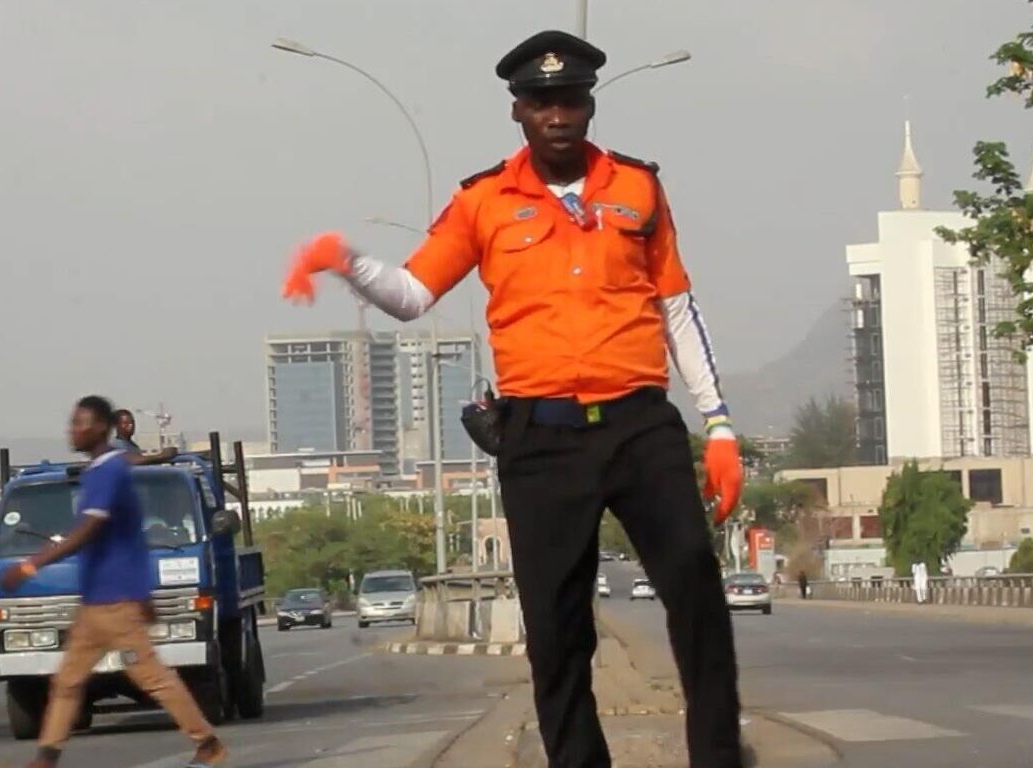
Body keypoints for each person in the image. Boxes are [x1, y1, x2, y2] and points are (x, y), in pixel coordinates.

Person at [280, 30, 746, 768]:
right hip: (541, 440)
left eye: (570, 99)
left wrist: (718, 427)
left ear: (589, 105)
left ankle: (718, 757)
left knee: (694, 581)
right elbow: (411, 294)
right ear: (517, 112)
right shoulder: (483, 202)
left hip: (639, 424)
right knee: (557, 631)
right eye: (540, 102)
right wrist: (344, 261)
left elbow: (678, 308)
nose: (557, 114)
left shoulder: (637, 187)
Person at [0, 396, 227, 768]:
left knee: (152, 678)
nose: (73, 430)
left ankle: (208, 743)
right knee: (68, 682)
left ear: (102, 429)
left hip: (117, 604)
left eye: (82, 423)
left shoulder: (108, 472)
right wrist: (146, 592)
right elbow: (130, 537)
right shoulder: (101, 472)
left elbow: (87, 530)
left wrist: (29, 566)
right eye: (73, 422)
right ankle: (46, 756)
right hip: (96, 605)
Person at [111, 408, 180, 466]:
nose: (130, 426)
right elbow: (131, 460)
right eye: (126, 423)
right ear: (116, 425)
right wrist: (161, 455)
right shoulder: (116, 445)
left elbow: (143, 462)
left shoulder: (133, 446)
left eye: (132, 422)